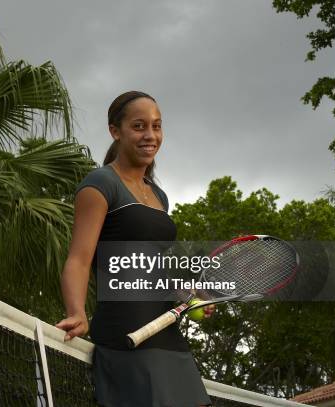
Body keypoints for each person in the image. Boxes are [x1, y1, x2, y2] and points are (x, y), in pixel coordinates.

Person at [56, 91, 215, 407]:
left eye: (157, 126)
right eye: (139, 126)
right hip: (126, 336)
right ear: (116, 131)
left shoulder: (159, 196)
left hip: (167, 334)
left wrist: (182, 291)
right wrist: (76, 312)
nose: (151, 136)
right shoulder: (100, 184)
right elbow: (78, 259)